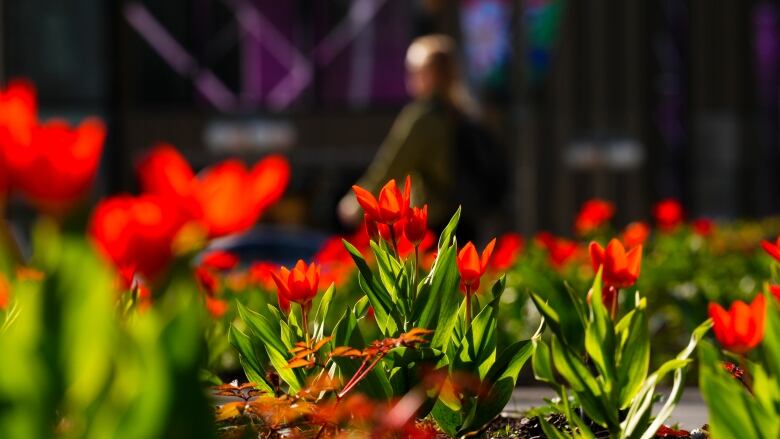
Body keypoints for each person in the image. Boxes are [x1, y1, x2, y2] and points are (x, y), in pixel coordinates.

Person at [338, 34, 506, 236]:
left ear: (428, 74)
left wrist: (356, 205)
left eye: (413, 71)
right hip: (468, 220)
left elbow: (390, 167)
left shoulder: (422, 119)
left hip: (434, 224)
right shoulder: (467, 113)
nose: (409, 77)